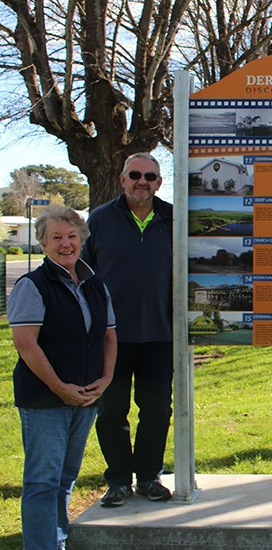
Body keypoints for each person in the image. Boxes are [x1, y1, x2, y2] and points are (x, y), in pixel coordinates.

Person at [8, 206, 117, 550]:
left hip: (86, 397)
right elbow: (26, 344)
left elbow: (109, 335)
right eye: (56, 237)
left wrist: (107, 379)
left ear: (82, 241)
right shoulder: (32, 286)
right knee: (43, 481)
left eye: (71, 236)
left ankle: (57, 539)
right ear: (42, 243)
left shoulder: (95, 285)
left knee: (65, 478)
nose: (65, 244)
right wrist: (59, 388)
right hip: (45, 400)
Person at [82, 152, 174, 506]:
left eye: (150, 176)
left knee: (156, 410)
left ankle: (150, 476)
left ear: (159, 183)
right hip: (110, 337)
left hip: (160, 335)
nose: (142, 182)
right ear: (122, 179)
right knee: (111, 411)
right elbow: (84, 276)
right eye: (135, 174)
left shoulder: (172, 218)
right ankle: (118, 479)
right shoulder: (101, 219)